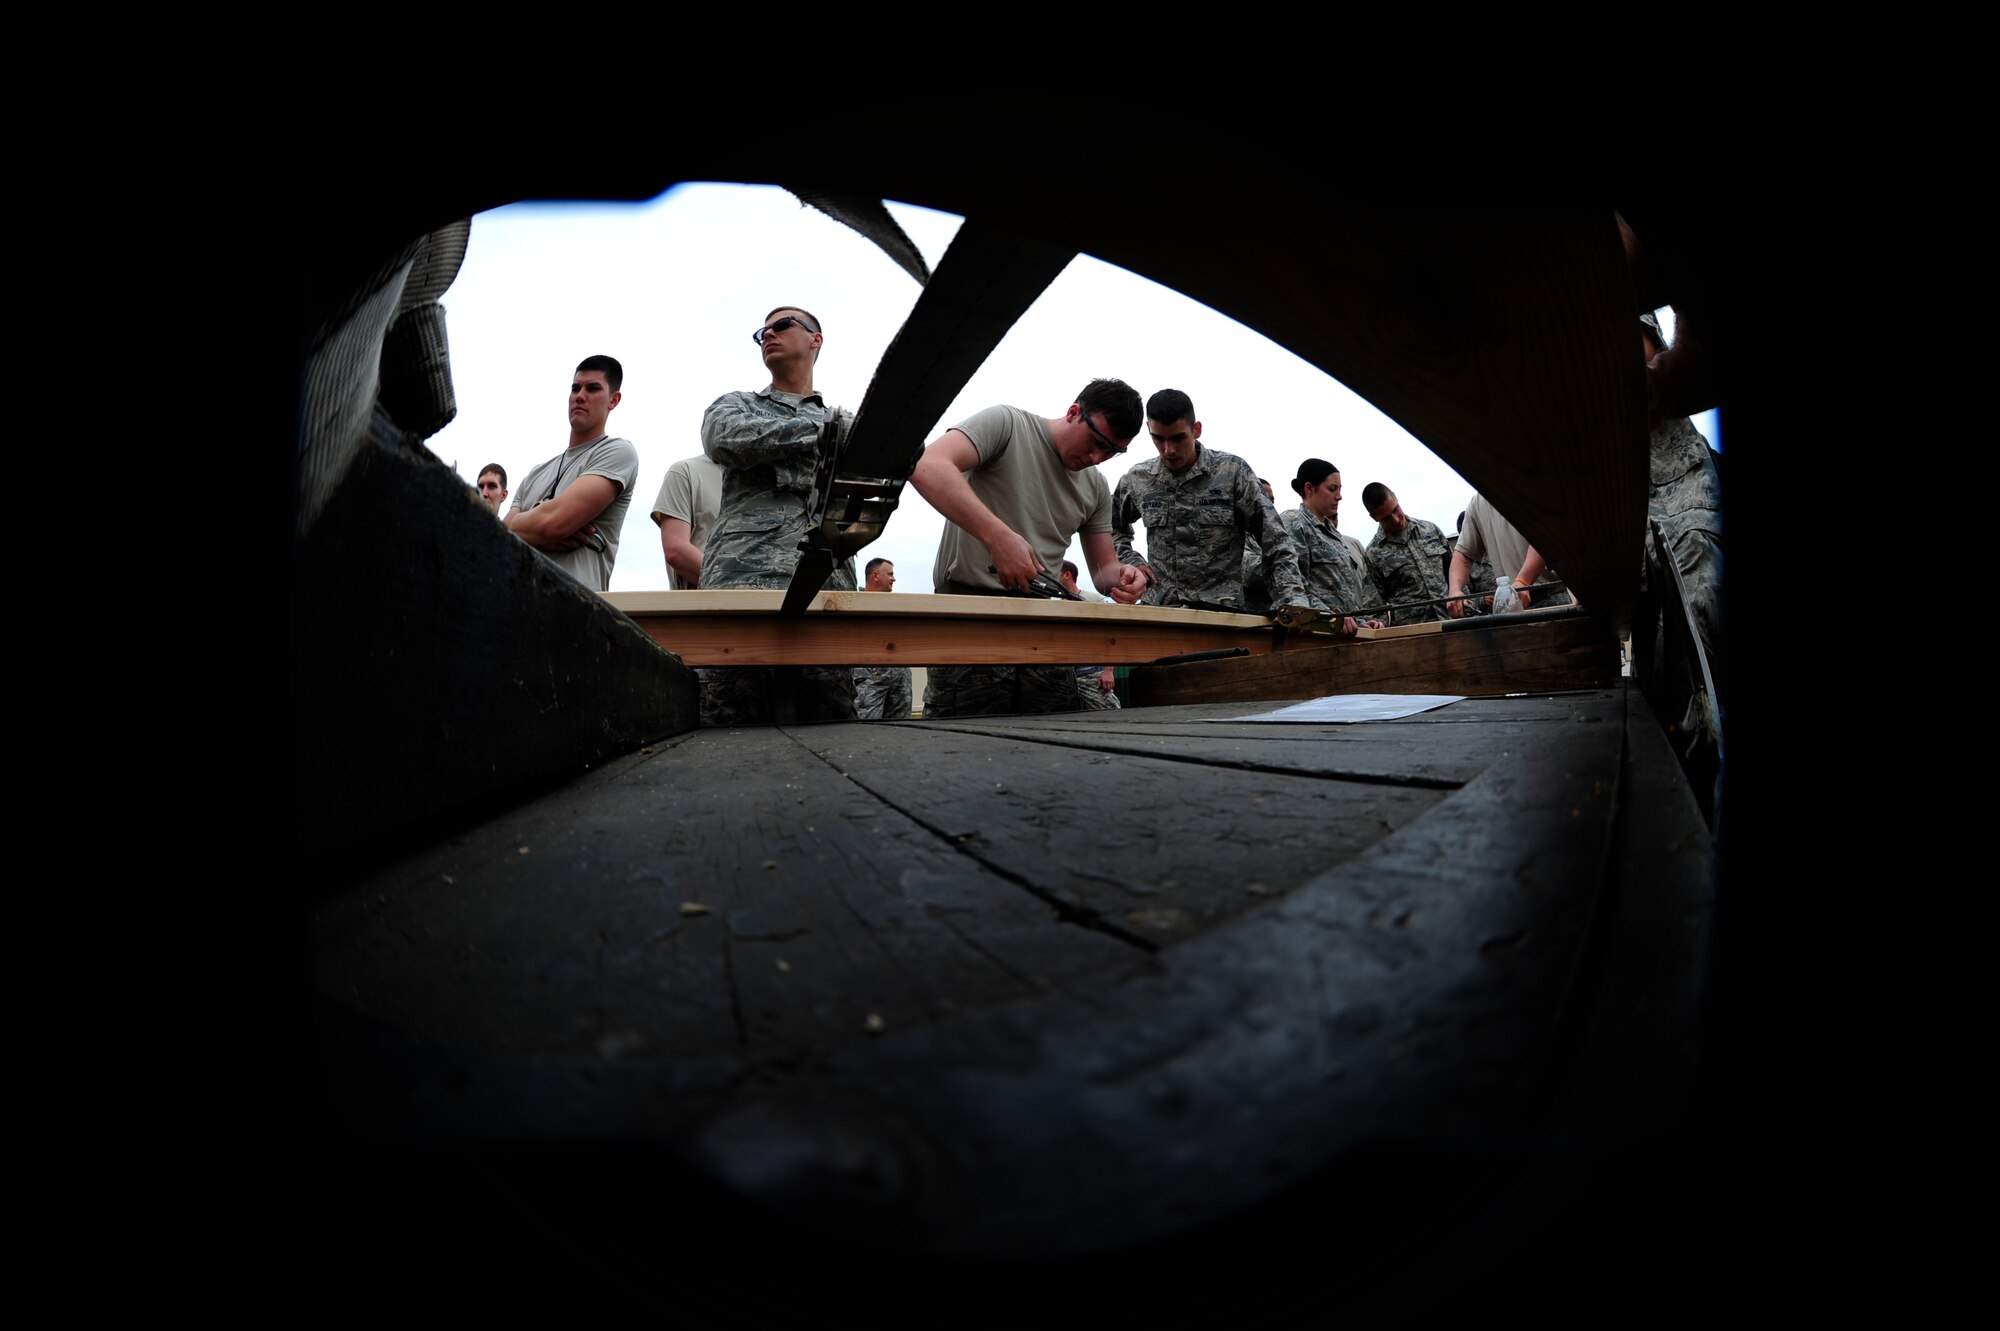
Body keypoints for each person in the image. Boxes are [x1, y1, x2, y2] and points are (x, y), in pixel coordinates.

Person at [910, 378, 1151, 717]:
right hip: (968, 618)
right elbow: (926, 465)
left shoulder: (1096, 487)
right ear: (1073, 412)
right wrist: (997, 537)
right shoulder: (1007, 425)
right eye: (1097, 441)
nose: (1098, 457)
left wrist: (1125, 578)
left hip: (1042, 628)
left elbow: (1103, 572)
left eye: (1113, 451)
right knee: (963, 747)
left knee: (1053, 744)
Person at [697, 306, 859, 725]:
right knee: (729, 727)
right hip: (743, 583)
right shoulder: (738, 404)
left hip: (826, 590)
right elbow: (723, 438)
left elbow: (898, 458)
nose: (768, 334)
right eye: (762, 332)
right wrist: (823, 433)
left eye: (782, 325)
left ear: (814, 340)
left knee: (831, 730)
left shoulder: (849, 420)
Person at [1109, 389, 1308, 613]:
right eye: (1158, 439)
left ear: (1196, 430)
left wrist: (1291, 599)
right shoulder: (1138, 479)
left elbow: (1276, 541)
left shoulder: (1232, 473)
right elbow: (1109, 527)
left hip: (1221, 616)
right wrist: (1131, 561)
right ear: (1149, 430)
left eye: (1178, 438)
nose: (1169, 450)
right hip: (1160, 611)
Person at [505, 356, 640, 592]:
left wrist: (531, 527)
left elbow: (553, 524)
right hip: (518, 601)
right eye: (575, 388)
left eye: (593, 388)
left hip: (576, 609)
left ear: (613, 400)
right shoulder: (535, 474)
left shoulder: (618, 452)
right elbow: (498, 537)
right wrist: (541, 528)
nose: (580, 395)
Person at [1280, 460, 1381, 637]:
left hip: (1341, 635)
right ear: (1309, 489)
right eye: (1332, 489)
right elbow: (1292, 586)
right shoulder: (1294, 523)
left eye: (1340, 489)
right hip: (1313, 634)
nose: (1339, 496)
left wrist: (1359, 622)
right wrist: (1328, 617)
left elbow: (1342, 592)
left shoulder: (1333, 534)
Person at [1447, 494, 1572, 616]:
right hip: (1510, 605)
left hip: (1549, 598)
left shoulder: (1529, 486)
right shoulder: (1478, 503)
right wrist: (1455, 591)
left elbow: (1544, 536)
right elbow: (1463, 554)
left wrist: (1523, 581)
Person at [1360, 482, 1453, 625]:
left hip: (1452, 622)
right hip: (1415, 634)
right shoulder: (1374, 553)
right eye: (1386, 518)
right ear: (1374, 517)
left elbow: (1455, 574)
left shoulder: (1429, 530)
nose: (1396, 519)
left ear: (1396, 497)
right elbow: (1375, 608)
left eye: (1395, 510)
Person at [649, 452, 724, 589]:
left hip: (770, 604)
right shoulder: (686, 472)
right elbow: (676, 551)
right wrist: (738, 585)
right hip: (704, 604)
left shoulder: (771, 479)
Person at [852, 558, 915, 721]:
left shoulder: (899, 608)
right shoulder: (853, 606)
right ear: (875, 576)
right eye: (890, 574)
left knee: (902, 730)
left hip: (900, 679)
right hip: (870, 678)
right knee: (867, 730)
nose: (894, 579)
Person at [1059, 561, 1120, 710]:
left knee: (1109, 712)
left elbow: (1111, 633)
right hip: (1068, 677)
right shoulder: (1058, 605)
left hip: (1092, 674)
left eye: (1056, 573)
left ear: (1067, 575)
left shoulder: (1093, 600)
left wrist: (1108, 671)